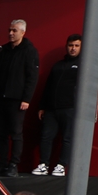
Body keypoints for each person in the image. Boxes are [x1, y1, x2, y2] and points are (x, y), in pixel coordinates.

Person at [0, 19, 39, 177]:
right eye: (10, 30)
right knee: (1, 132)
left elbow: (32, 77)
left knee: (16, 133)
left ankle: (13, 164)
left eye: (15, 31)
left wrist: (26, 99)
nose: (11, 33)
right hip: (0, 98)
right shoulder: (3, 50)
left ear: (23, 32)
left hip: (17, 99)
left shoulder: (29, 50)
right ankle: (2, 163)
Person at [34, 34, 81, 176]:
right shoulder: (58, 65)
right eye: (70, 45)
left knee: (67, 138)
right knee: (46, 136)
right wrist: (42, 106)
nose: (73, 48)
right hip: (51, 109)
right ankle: (43, 164)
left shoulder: (83, 65)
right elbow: (48, 86)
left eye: (76, 46)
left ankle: (61, 166)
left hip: (70, 108)